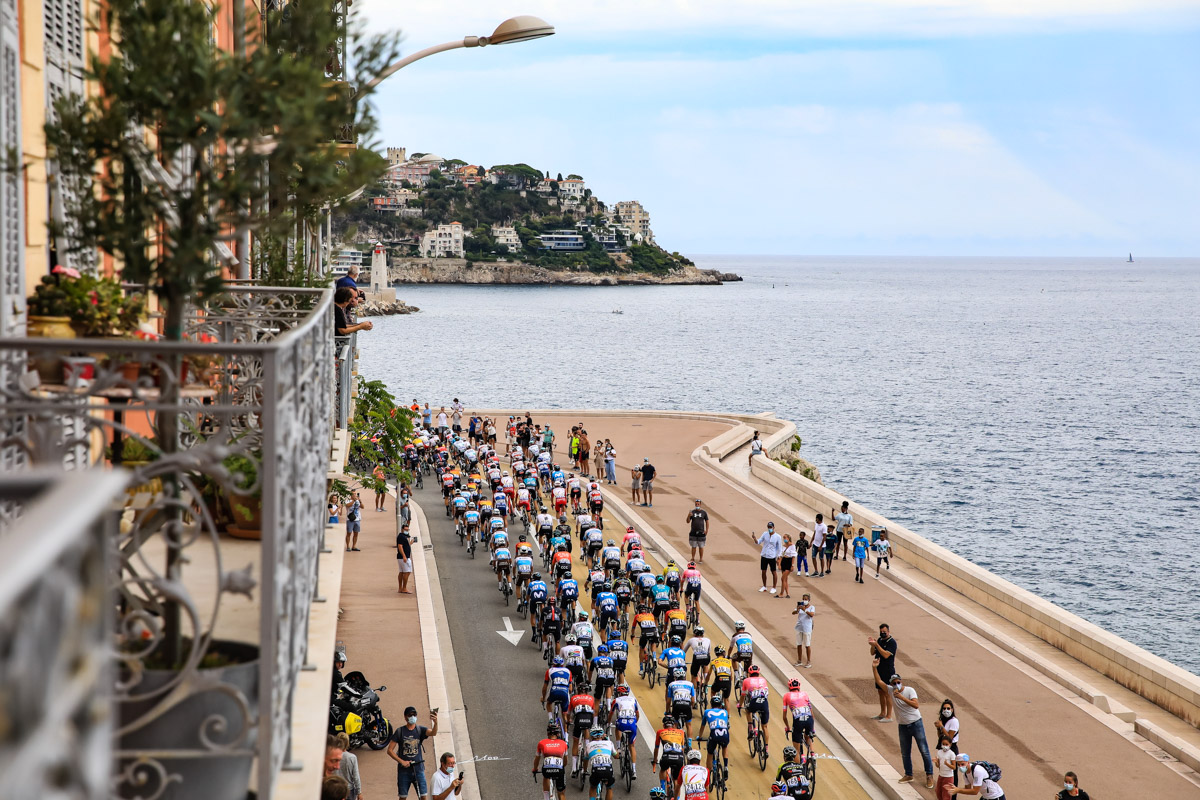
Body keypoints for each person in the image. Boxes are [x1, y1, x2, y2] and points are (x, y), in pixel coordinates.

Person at [875, 669, 933, 789]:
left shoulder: (910, 690)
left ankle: (929, 775)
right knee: (905, 752)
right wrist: (874, 668)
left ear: (901, 681)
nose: (896, 684)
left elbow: (916, 705)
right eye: (894, 683)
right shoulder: (891, 691)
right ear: (891, 684)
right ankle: (908, 774)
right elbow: (878, 681)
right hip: (902, 725)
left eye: (898, 682)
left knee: (924, 750)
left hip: (916, 724)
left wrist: (902, 698)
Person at [387, 706, 439, 800]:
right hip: (404, 771)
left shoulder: (420, 730)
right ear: (405, 717)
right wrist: (401, 761)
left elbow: (433, 733)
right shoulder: (400, 731)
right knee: (403, 797)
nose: (412, 717)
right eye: (410, 715)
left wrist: (435, 723)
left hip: (418, 769)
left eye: (414, 715)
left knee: (423, 796)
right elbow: (389, 750)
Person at [869, 623, 898, 722]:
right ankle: (882, 713)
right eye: (881, 632)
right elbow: (872, 653)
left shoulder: (892, 642)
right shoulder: (880, 640)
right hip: (879, 669)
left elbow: (886, 655)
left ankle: (889, 716)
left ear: (888, 631)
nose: (883, 633)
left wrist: (877, 644)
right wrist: (873, 645)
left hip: (888, 670)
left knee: (887, 693)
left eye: (884, 632)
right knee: (880, 691)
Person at [533, 722, 569, 800]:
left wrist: (535, 769)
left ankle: (546, 797)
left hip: (547, 769)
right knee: (561, 792)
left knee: (546, 777)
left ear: (547, 733)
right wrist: (562, 768)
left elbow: (537, 759)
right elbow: (565, 761)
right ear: (558, 734)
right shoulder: (563, 743)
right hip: (559, 769)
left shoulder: (541, 743)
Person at [781, 677, 814, 756]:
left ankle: (801, 757)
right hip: (809, 720)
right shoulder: (805, 694)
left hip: (798, 721)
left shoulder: (786, 696)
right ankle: (812, 754)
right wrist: (813, 728)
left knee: (796, 749)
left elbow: (784, 717)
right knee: (808, 736)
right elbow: (812, 713)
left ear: (789, 687)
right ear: (799, 687)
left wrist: (788, 727)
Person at [752, 522, 783, 594]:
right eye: (768, 527)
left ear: (773, 527)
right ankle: (764, 586)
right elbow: (758, 542)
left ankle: (774, 587)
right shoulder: (765, 534)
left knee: (773, 572)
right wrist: (755, 539)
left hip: (772, 556)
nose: (769, 528)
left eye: (771, 527)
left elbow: (780, 548)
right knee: (763, 571)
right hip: (764, 555)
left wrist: (779, 557)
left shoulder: (777, 536)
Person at [333, 733, 362, 800]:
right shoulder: (352, 757)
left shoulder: (333, 757)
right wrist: (359, 792)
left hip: (336, 789)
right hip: (349, 790)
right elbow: (356, 776)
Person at [791, 594, 815, 668]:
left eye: (806, 599)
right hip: (799, 627)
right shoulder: (800, 606)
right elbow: (793, 613)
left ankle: (808, 661)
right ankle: (799, 660)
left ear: (809, 600)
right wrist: (798, 609)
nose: (804, 601)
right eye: (803, 599)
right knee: (799, 644)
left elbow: (811, 615)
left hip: (807, 628)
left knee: (807, 645)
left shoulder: (811, 607)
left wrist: (805, 610)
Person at [685, 499, 709, 564]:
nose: (697, 505)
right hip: (693, 532)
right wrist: (688, 516)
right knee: (693, 546)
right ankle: (693, 557)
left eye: (698, 504)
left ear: (700, 504)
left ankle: (701, 558)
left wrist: (706, 530)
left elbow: (707, 521)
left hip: (701, 532)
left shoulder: (704, 513)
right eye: (696, 504)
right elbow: (687, 521)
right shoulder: (692, 512)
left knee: (701, 546)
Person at [935, 735, 956, 800]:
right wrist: (936, 762)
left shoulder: (951, 754)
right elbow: (938, 765)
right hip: (941, 775)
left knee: (946, 795)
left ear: (950, 744)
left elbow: (954, 767)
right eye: (943, 744)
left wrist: (947, 764)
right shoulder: (939, 752)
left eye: (946, 744)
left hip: (948, 777)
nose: (944, 746)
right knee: (938, 792)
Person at [397, 521, 414, 594]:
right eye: (405, 530)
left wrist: (410, 543)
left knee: (401, 572)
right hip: (404, 557)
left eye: (407, 530)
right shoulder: (401, 536)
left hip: (401, 557)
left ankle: (400, 588)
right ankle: (404, 588)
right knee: (407, 572)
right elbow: (400, 546)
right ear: (402, 529)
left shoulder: (404, 536)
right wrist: (404, 556)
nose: (407, 531)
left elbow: (404, 545)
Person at [779, 534, 795, 598]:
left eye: (785, 537)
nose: (784, 539)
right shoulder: (783, 546)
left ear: (788, 538)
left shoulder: (792, 546)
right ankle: (787, 593)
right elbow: (781, 555)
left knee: (783, 578)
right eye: (783, 538)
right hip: (784, 561)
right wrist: (779, 564)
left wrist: (792, 565)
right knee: (785, 579)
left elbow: (793, 556)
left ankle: (781, 593)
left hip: (789, 561)